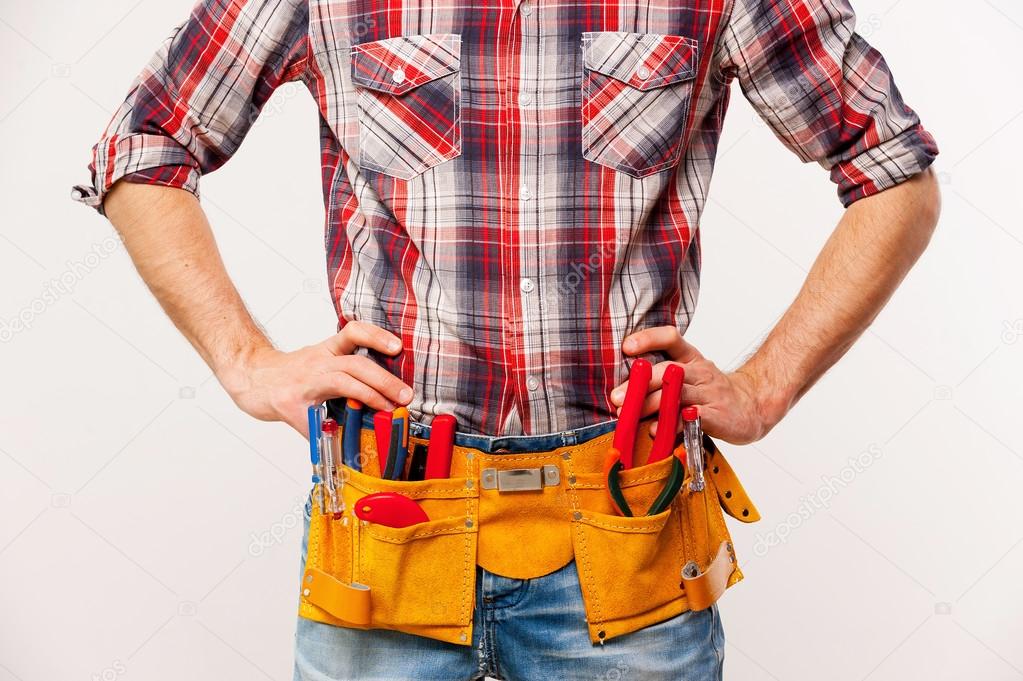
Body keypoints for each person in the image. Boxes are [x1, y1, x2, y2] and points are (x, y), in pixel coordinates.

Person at [74, 0, 940, 679]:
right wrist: (245, 362)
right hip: (391, 519)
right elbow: (143, 145)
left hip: (623, 518)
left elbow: (893, 175)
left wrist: (766, 384)